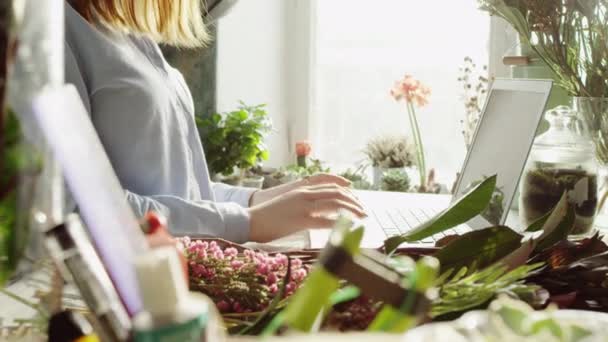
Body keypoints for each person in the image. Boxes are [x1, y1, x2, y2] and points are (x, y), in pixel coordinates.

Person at [64, 0, 366, 243]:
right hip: (122, 294)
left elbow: (178, 190)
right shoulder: (53, 29)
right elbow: (74, 209)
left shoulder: (123, 26)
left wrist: (256, 200)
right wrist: (249, 222)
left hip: (174, 272)